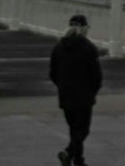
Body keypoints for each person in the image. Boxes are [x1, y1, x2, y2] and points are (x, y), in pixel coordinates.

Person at [49, 12, 104, 165]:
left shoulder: (59, 47)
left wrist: (62, 86)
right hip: (84, 96)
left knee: (74, 129)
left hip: (65, 95)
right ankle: (68, 152)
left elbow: (53, 73)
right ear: (84, 28)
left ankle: (78, 160)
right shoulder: (88, 47)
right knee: (83, 130)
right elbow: (96, 75)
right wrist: (93, 91)